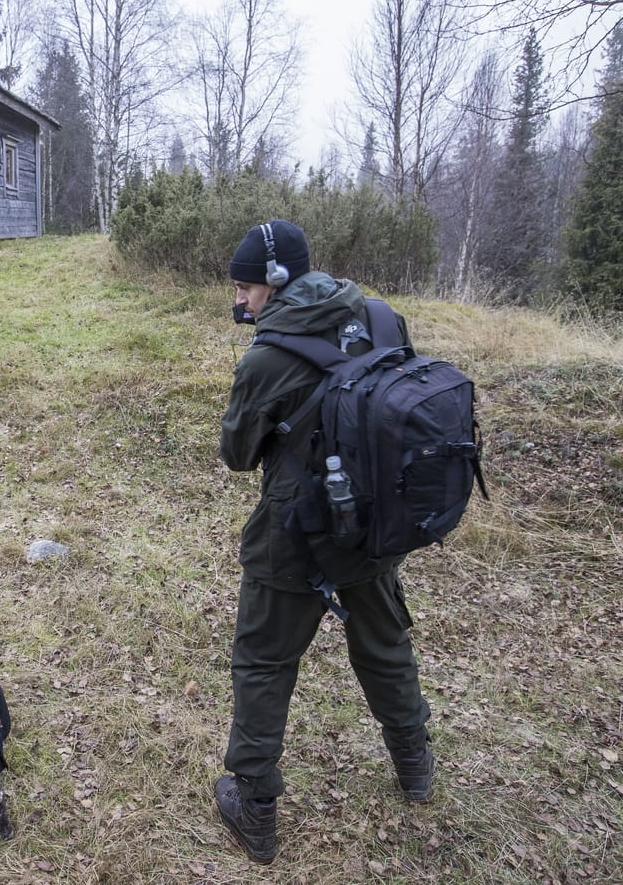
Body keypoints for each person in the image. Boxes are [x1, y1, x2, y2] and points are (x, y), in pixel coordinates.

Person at [215, 220, 434, 865]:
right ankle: (414, 764)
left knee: (263, 662)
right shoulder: (382, 317)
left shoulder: (266, 357)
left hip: (294, 533)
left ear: (276, 282)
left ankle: (254, 806)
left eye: (247, 288)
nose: (241, 300)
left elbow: (236, 453)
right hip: (374, 522)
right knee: (385, 642)